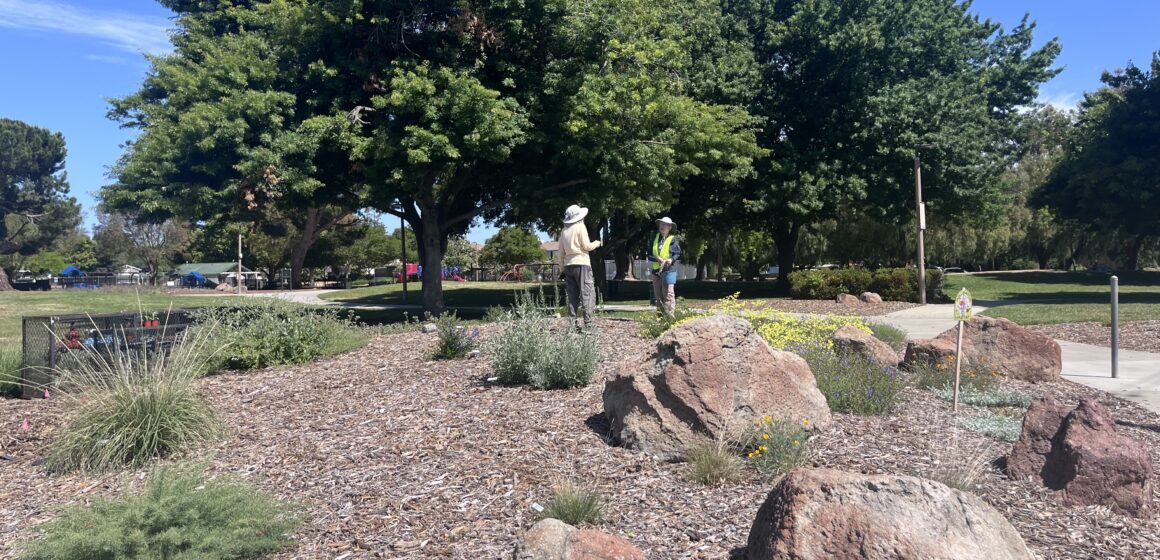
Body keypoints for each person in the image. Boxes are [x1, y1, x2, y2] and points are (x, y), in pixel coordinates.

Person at [558, 204, 602, 330]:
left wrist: (562, 269)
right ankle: (588, 325)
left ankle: (572, 324)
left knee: (572, 296)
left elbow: (560, 253)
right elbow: (586, 246)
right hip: (582, 263)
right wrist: (597, 243)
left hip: (568, 265)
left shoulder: (564, 231)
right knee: (586, 294)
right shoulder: (580, 227)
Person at [648, 217, 681, 316]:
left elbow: (677, 253)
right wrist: (657, 259)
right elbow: (649, 255)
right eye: (661, 224)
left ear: (670, 227)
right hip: (656, 271)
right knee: (658, 296)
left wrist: (670, 260)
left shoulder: (673, 239)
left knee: (668, 295)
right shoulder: (654, 239)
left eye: (665, 224)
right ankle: (660, 318)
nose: (662, 226)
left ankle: (670, 317)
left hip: (668, 271)